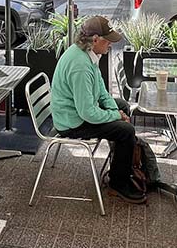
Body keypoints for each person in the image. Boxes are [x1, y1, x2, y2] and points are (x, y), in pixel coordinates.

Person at [50, 16, 144, 204]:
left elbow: (100, 90)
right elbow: (88, 113)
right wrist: (115, 116)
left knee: (122, 106)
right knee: (126, 131)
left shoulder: (87, 54)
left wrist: (116, 111)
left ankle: (120, 166)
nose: (110, 44)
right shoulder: (80, 66)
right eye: (107, 40)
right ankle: (118, 183)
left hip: (78, 111)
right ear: (95, 39)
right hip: (72, 122)